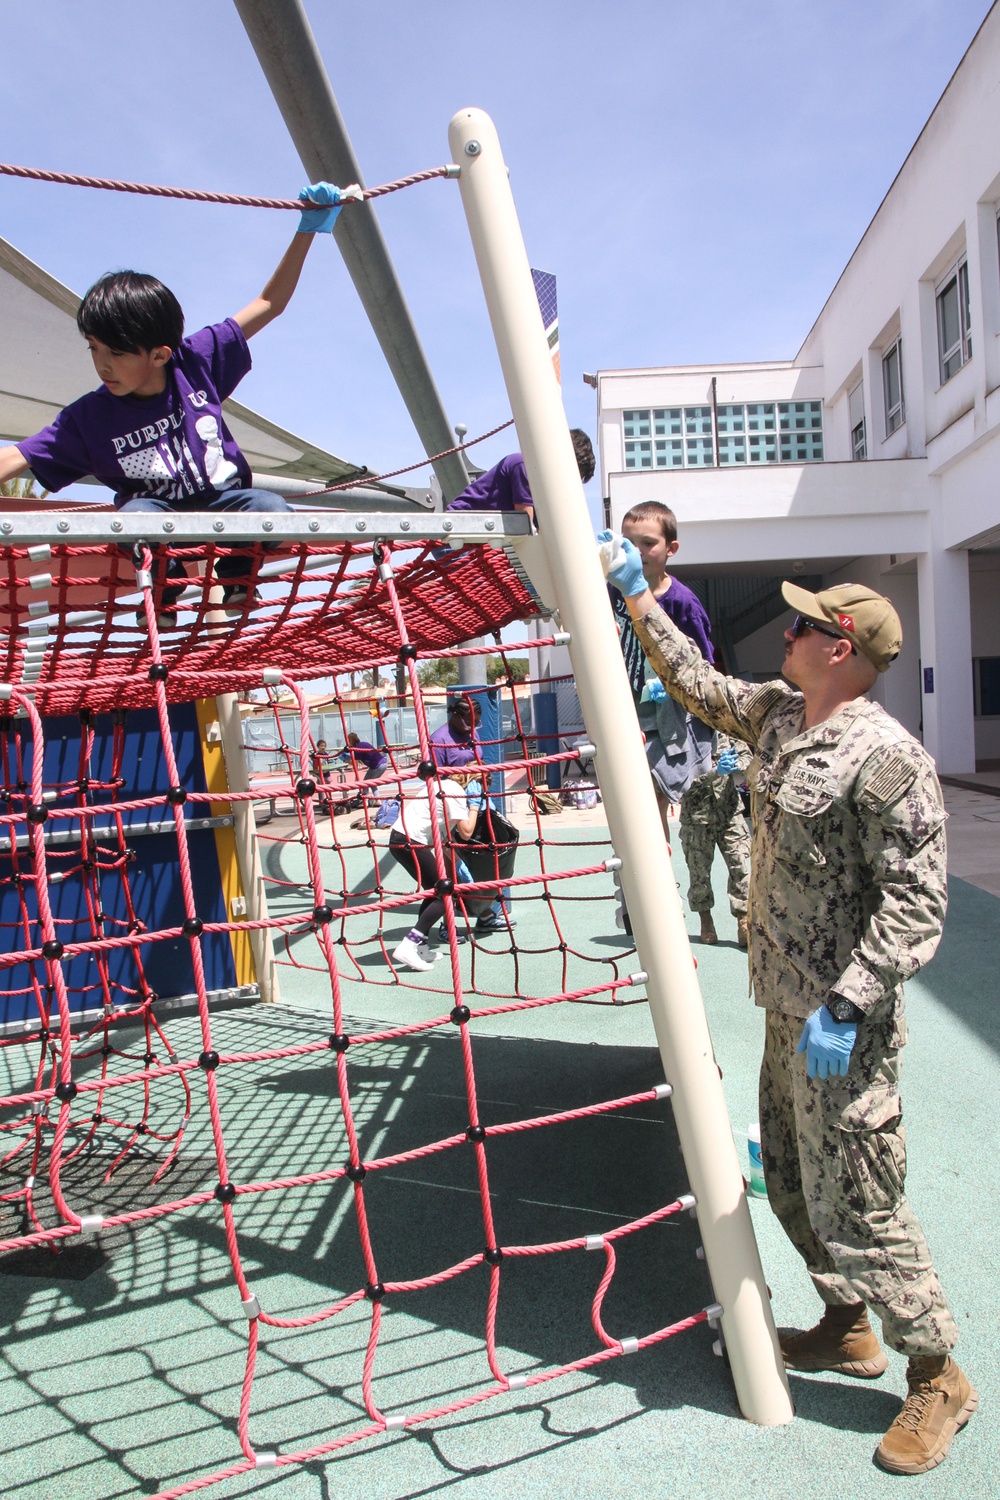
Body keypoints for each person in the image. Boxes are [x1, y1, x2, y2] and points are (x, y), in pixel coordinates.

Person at [600, 531, 977, 1476]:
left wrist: (848, 1005)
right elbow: (699, 686)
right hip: (782, 1007)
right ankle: (850, 1325)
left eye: (806, 623)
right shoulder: (778, 717)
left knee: (865, 1204)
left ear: (840, 648)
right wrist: (638, 600)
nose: (789, 630)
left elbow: (918, 901)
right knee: (797, 1189)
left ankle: (938, 1372)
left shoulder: (886, 758)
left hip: (841, 1029)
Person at [0, 181, 353, 621]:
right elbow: (17, 455)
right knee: (136, 517)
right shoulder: (89, 418)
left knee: (273, 509)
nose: (101, 365)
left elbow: (268, 304)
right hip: (158, 520)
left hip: (225, 508)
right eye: (93, 348)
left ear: (160, 354)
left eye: (116, 353)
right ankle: (166, 582)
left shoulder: (194, 362)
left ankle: (237, 573)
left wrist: (307, 230)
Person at [429, 697, 514, 933]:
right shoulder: (440, 739)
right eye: (468, 721)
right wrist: (464, 780)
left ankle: (486, 915)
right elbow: (436, 781)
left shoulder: (472, 734)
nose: (472, 726)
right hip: (454, 805)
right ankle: (449, 924)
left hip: (478, 801)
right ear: (455, 715)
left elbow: (479, 760)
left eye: (476, 722)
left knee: (487, 859)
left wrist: (479, 780)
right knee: (454, 866)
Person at [387, 769, 479, 971]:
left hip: (401, 839)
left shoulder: (440, 785)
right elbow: (466, 832)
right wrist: (473, 806)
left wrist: (459, 865)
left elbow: (445, 837)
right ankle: (409, 945)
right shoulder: (455, 791)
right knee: (446, 893)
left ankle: (421, 945)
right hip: (410, 841)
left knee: (432, 889)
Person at [676, 729, 751, 948]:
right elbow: (681, 782)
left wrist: (740, 765)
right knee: (699, 873)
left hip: (729, 813)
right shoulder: (683, 735)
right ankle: (705, 920)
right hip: (697, 818)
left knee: (741, 867)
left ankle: (744, 920)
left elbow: (747, 755)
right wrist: (715, 772)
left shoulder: (724, 728)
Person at [445, 429, 595, 529]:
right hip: (458, 531)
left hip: (479, 538)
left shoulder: (542, 486)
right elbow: (526, 526)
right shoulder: (524, 466)